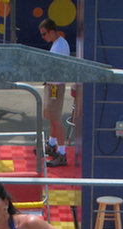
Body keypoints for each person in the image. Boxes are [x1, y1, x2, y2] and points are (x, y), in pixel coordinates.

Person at [39, 18, 70, 168]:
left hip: (55, 88)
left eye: (44, 34)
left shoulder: (59, 46)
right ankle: (51, 145)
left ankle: (62, 153)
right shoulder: (58, 44)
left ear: (51, 32)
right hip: (53, 87)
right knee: (52, 117)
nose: (43, 37)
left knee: (56, 120)